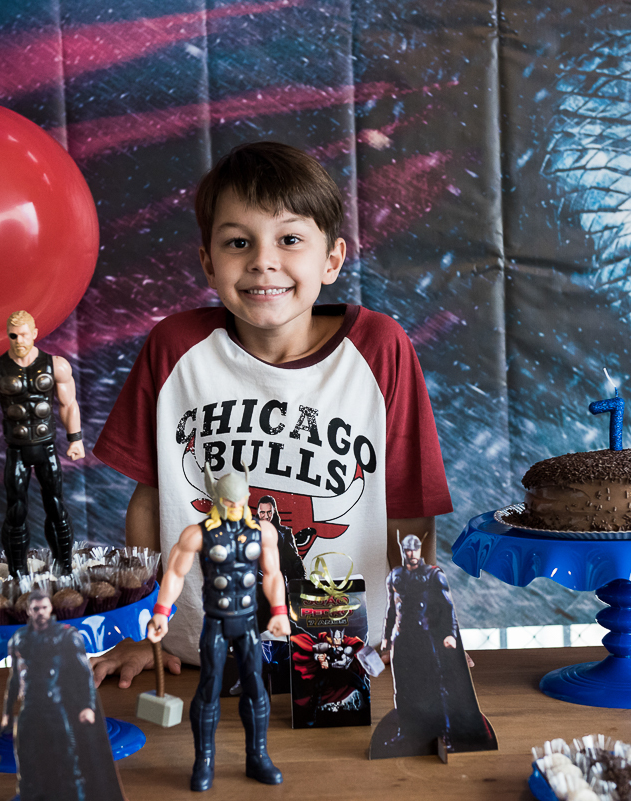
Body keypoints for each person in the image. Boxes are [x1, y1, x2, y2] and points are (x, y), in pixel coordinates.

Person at [92, 141, 452, 687]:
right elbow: (150, 499)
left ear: (332, 260)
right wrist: (143, 630)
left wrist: (419, 628)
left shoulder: (380, 348)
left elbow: (409, 511)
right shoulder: (175, 348)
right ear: (208, 262)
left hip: (347, 653)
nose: (263, 260)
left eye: (290, 239)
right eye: (239, 242)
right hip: (197, 653)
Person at [146, 468, 290, 791]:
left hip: (249, 622)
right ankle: (204, 760)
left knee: (255, 687)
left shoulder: (263, 532)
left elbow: (274, 574)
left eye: (241, 501)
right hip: (216, 622)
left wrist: (279, 611)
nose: (236, 508)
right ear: (216, 500)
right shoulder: (197, 534)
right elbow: (174, 574)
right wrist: (161, 613)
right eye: (229, 502)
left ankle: (258, 756)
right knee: (209, 687)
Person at [0, 311, 85, 576]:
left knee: (56, 507)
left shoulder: (56, 365)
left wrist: (75, 439)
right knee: (15, 511)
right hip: (17, 450)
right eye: (13, 335)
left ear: (34, 333)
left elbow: (69, 404)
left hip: (47, 448)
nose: (19, 340)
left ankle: (65, 568)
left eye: (24, 334)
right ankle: (17, 573)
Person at [1, 590, 123, 801]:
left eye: (44, 607)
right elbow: (15, 678)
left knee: (65, 762)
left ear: (50, 608)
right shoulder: (20, 638)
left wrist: (87, 706)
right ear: (29, 611)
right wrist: (6, 711)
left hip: (56, 708)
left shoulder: (65, 635)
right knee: (28, 761)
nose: (40, 612)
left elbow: (82, 673)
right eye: (36, 608)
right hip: (29, 709)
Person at [378, 534, 494, 752]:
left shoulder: (433, 574)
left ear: (419, 549)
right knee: (402, 688)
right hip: (401, 638)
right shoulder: (396, 575)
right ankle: (406, 733)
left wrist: (450, 635)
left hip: (425, 637)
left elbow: (447, 608)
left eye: (414, 549)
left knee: (434, 686)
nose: (411, 553)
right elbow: (392, 609)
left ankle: (445, 732)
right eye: (407, 549)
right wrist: (386, 638)